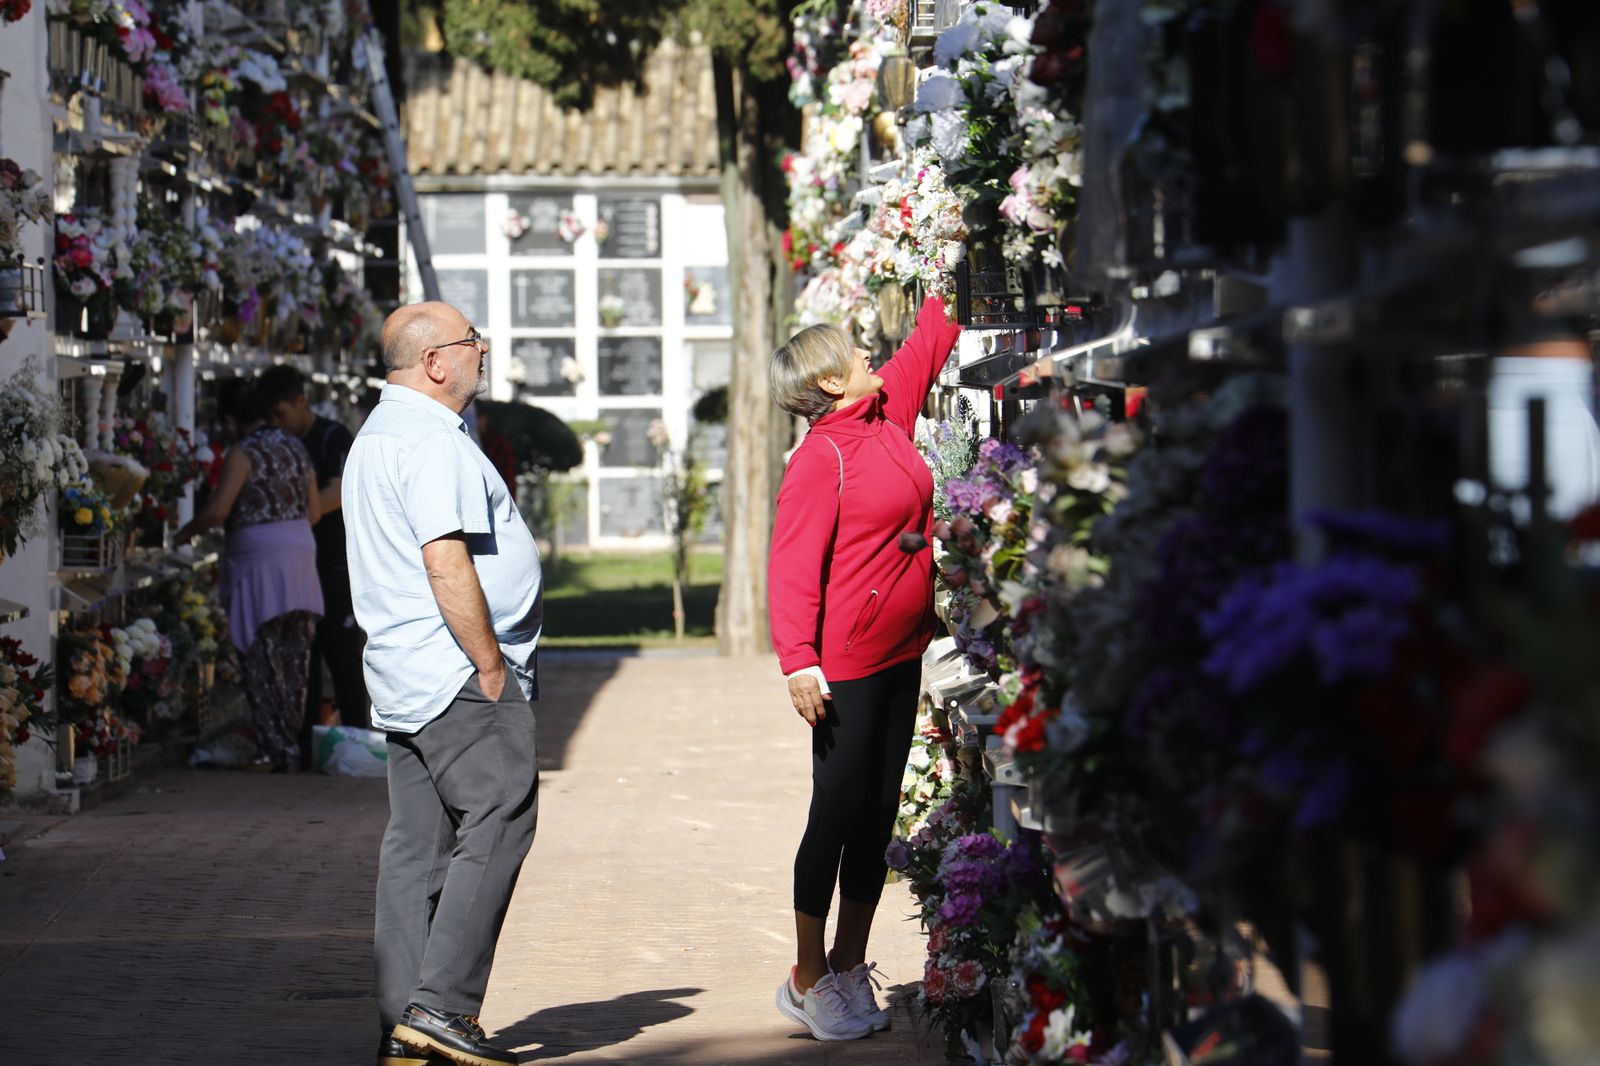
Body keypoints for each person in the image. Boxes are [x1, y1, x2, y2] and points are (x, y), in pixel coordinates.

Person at [344, 301, 542, 1066]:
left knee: (418, 850)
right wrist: (489, 663)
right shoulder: (425, 439)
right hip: (456, 673)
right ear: (434, 362)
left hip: (408, 671)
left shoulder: (382, 433)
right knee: (501, 816)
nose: (482, 351)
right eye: (470, 341)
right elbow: (444, 558)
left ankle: (405, 1021)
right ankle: (442, 1008)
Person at [766, 295, 961, 1040]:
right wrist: (799, 663)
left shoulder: (888, 413)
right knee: (836, 812)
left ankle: (850, 963)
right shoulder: (821, 458)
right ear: (828, 388)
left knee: (878, 817)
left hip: (902, 652)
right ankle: (807, 975)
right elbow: (792, 569)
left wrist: (962, 234)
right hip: (843, 667)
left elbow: (931, 338)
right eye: (852, 357)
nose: (867, 357)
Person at [175, 377, 323, 772]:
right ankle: (289, 742)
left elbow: (219, 510)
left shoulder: (244, 452)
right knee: (295, 657)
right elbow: (313, 512)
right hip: (301, 554)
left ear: (231, 421)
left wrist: (185, 532)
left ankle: (276, 747)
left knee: (261, 655)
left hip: (259, 560)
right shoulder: (296, 447)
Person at [258, 364, 371, 765]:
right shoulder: (277, 443)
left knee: (343, 658)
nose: (277, 425)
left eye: (282, 415)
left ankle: (357, 741)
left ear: (301, 402)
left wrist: (290, 518)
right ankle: (305, 747)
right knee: (301, 660)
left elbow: (338, 492)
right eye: (270, 418)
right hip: (295, 567)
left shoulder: (331, 437)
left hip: (333, 565)